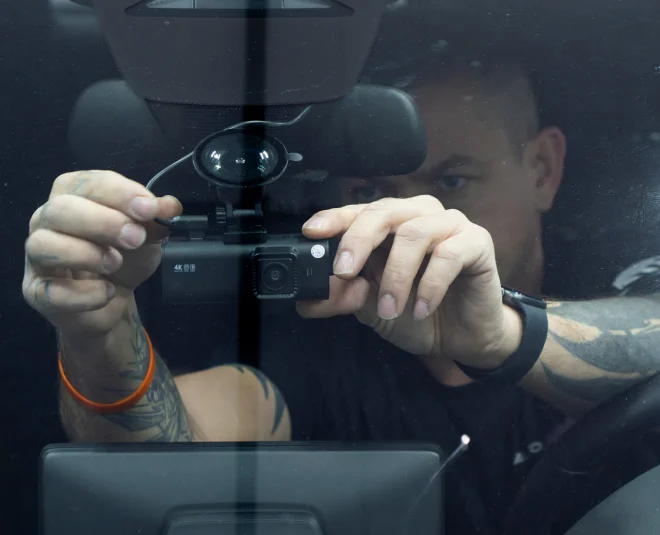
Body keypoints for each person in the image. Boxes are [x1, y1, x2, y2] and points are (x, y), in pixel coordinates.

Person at [23, 63, 660, 534]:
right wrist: (101, 333)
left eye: (453, 180)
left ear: (543, 169)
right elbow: (157, 461)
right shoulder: (324, 342)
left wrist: (500, 332)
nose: (416, 217)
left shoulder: (616, 264)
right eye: (371, 191)